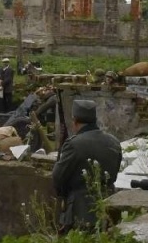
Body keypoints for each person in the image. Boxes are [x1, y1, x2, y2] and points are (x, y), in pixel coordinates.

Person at [51, 99, 121, 233]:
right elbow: (114, 174)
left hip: (80, 209)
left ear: (75, 121)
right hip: (109, 204)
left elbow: (58, 178)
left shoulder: (74, 145)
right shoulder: (114, 142)